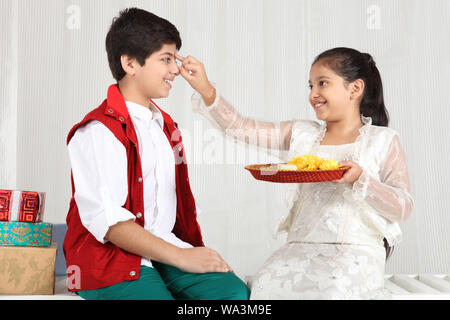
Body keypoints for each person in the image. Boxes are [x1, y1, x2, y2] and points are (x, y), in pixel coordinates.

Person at [177, 47, 413, 299]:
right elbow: (240, 128)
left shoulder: (383, 140)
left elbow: (404, 207)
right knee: (265, 285)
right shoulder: (302, 134)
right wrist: (205, 88)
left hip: (357, 250)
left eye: (323, 83)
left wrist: (361, 180)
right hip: (300, 248)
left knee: (332, 290)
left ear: (354, 89)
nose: (313, 94)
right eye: (310, 86)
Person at [63, 8, 250, 300]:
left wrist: (183, 252)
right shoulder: (97, 131)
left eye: (175, 59)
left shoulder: (164, 126)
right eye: (166, 59)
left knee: (233, 294)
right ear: (130, 63)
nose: (175, 69)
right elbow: (110, 223)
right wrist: (181, 257)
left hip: (162, 248)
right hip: (109, 258)